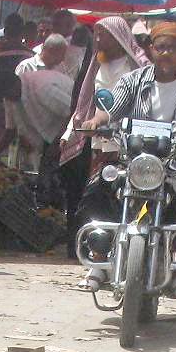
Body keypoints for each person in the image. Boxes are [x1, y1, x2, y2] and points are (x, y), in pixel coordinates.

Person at [79, 20, 176, 301]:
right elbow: (113, 107)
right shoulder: (135, 79)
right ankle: (98, 259)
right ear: (151, 49)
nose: (166, 53)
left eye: (172, 48)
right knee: (97, 190)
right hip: (135, 161)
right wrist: (97, 120)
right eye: (160, 47)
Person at [59, 15, 150, 253]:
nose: (98, 40)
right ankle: (100, 249)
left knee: (131, 199)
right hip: (101, 142)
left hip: (129, 144)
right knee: (98, 196)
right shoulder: (97, 64)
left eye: (104, 35)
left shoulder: (136, 67)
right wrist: (71, 131)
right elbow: (87, 102)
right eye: (96, 35)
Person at [12, 35, 74, 159]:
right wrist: (22, 134)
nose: (63, 59)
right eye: (62, 54)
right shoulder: (26, 67)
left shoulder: (61, 69)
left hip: (53, 132)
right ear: (51, 50)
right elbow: (16, 102)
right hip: (30, 133)